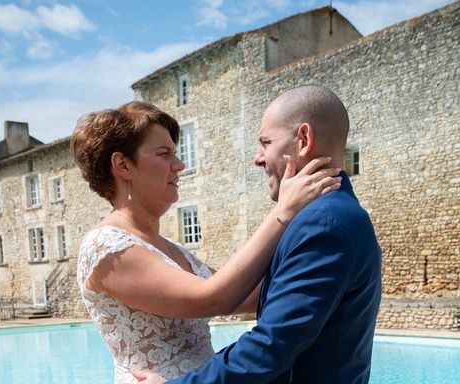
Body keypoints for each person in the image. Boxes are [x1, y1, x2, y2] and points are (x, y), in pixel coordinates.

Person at [72, 101, 341, 384]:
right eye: (164, 154)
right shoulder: (104, 247)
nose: (180, 165)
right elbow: (215, 298)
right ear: (123, 165)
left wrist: (322, 257)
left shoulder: (172, 249)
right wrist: (283, 212)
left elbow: (246, 296)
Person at [133, 85, 382, 384]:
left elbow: (270, 348)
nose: (258, 158)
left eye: (266, 142)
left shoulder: (323, 223)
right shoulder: (333, 214)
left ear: (303, 140)